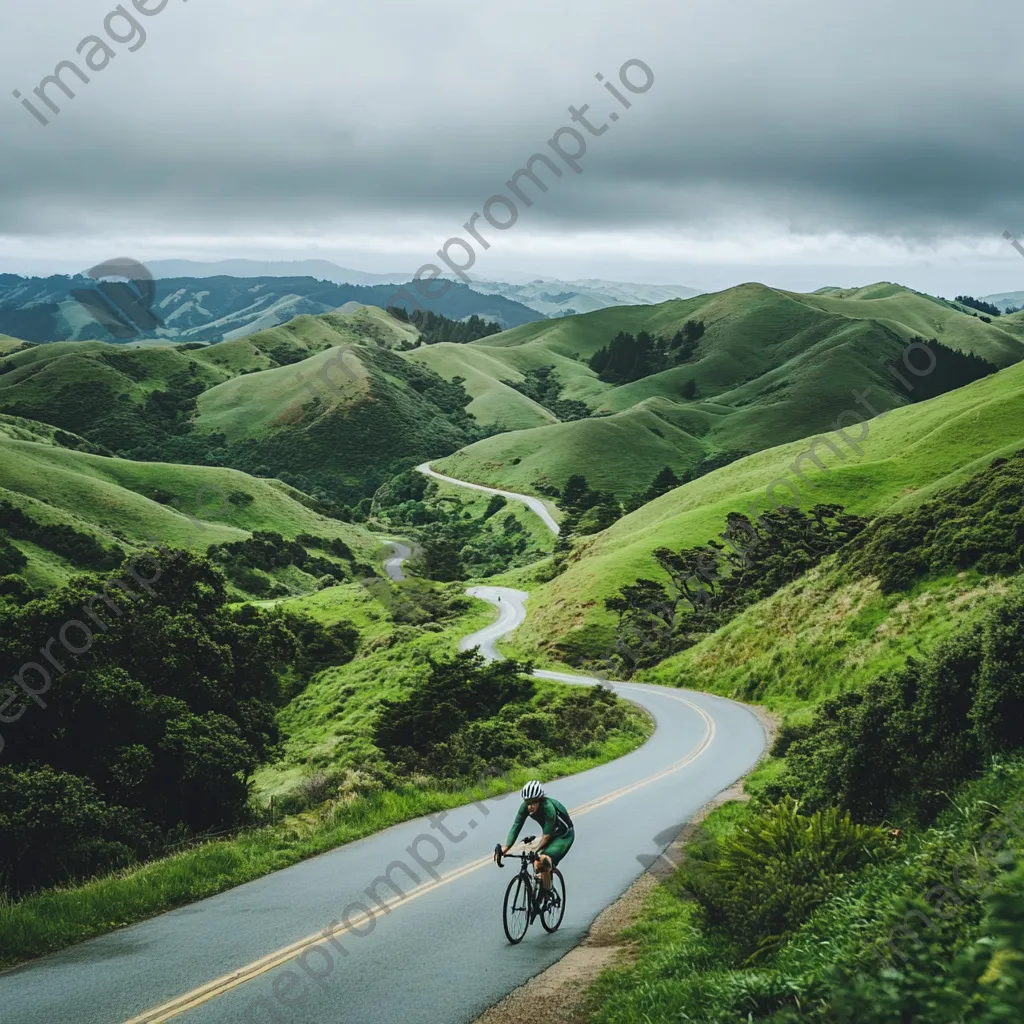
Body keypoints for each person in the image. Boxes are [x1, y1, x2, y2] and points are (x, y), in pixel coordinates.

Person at [495, 780, 574, 898]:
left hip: (564, 836)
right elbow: (516, 825)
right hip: (550, 834)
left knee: (542, 860)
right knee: (537, 862)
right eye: (527, 802)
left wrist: (536, 851)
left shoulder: (548, 808)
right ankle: (543, 879)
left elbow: (547, 836)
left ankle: (547, 893)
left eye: (533, 802)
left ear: (540, 799)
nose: (530, 806)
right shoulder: (526, 807)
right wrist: (506, 847)